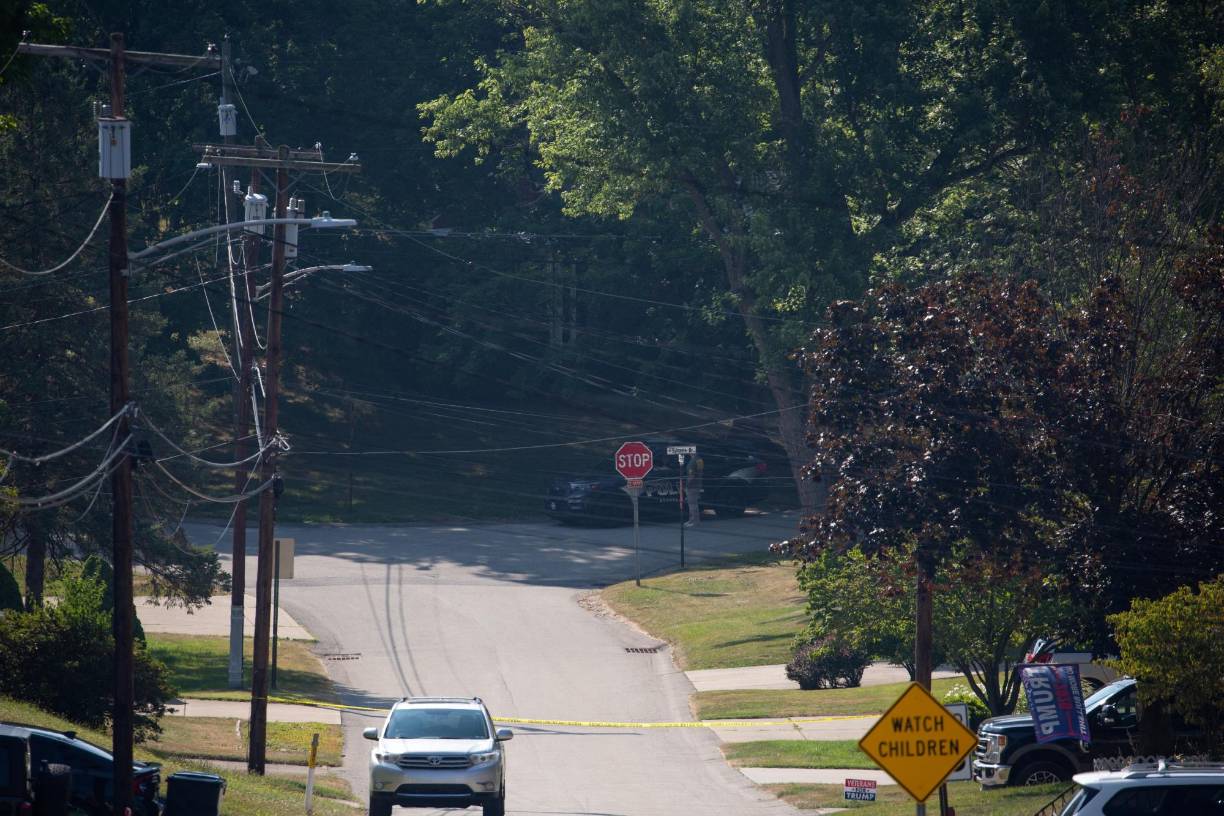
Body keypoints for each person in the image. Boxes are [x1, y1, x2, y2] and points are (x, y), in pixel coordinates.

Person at [685, 454, 703, 526]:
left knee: (692, 504)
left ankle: (694, 521)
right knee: (693, 503)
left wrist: (687, 485)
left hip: (692, 486)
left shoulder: (692, 462)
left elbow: (691, 476)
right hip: (698, 484)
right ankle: (692, 520)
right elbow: (700, 472)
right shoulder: (699, 460)